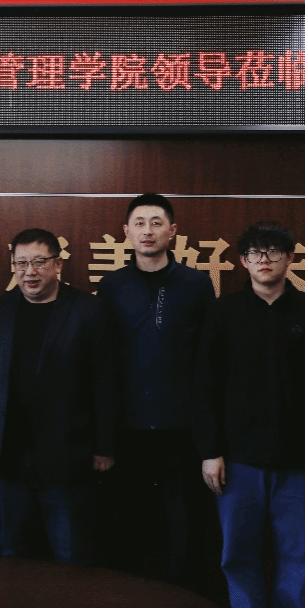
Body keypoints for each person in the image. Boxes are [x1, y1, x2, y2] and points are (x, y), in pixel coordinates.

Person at [194, 221, 305, 608]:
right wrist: (210, 451)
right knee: (238, 558)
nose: (264, 260)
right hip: (237, 463)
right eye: (255, 253)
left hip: (300, 464)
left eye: (273, 252)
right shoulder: (223, 313)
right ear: (243, 261)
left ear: (291, 257)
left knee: (298, 558)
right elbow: (205, 387)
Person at [0, 228, 117, 565]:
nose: (30, 272)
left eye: (39, 262)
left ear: (58, 265)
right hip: (10, 458)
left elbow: (106, 382)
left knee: (71, 556)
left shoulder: (88, 310)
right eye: (21, 263)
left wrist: (105, 445)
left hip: (69, 457)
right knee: (13, 554)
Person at [96, 193, 214, 584]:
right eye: (140, 223)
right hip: (126, 431)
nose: (148, 231)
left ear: (173, 231)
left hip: (182, 431)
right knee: (127, 528)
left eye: (157, 223)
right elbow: (103, 363)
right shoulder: (112, 286)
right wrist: (104, 438)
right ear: (126, 231)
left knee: (184, 529)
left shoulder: (196, 283)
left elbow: (208, 360)